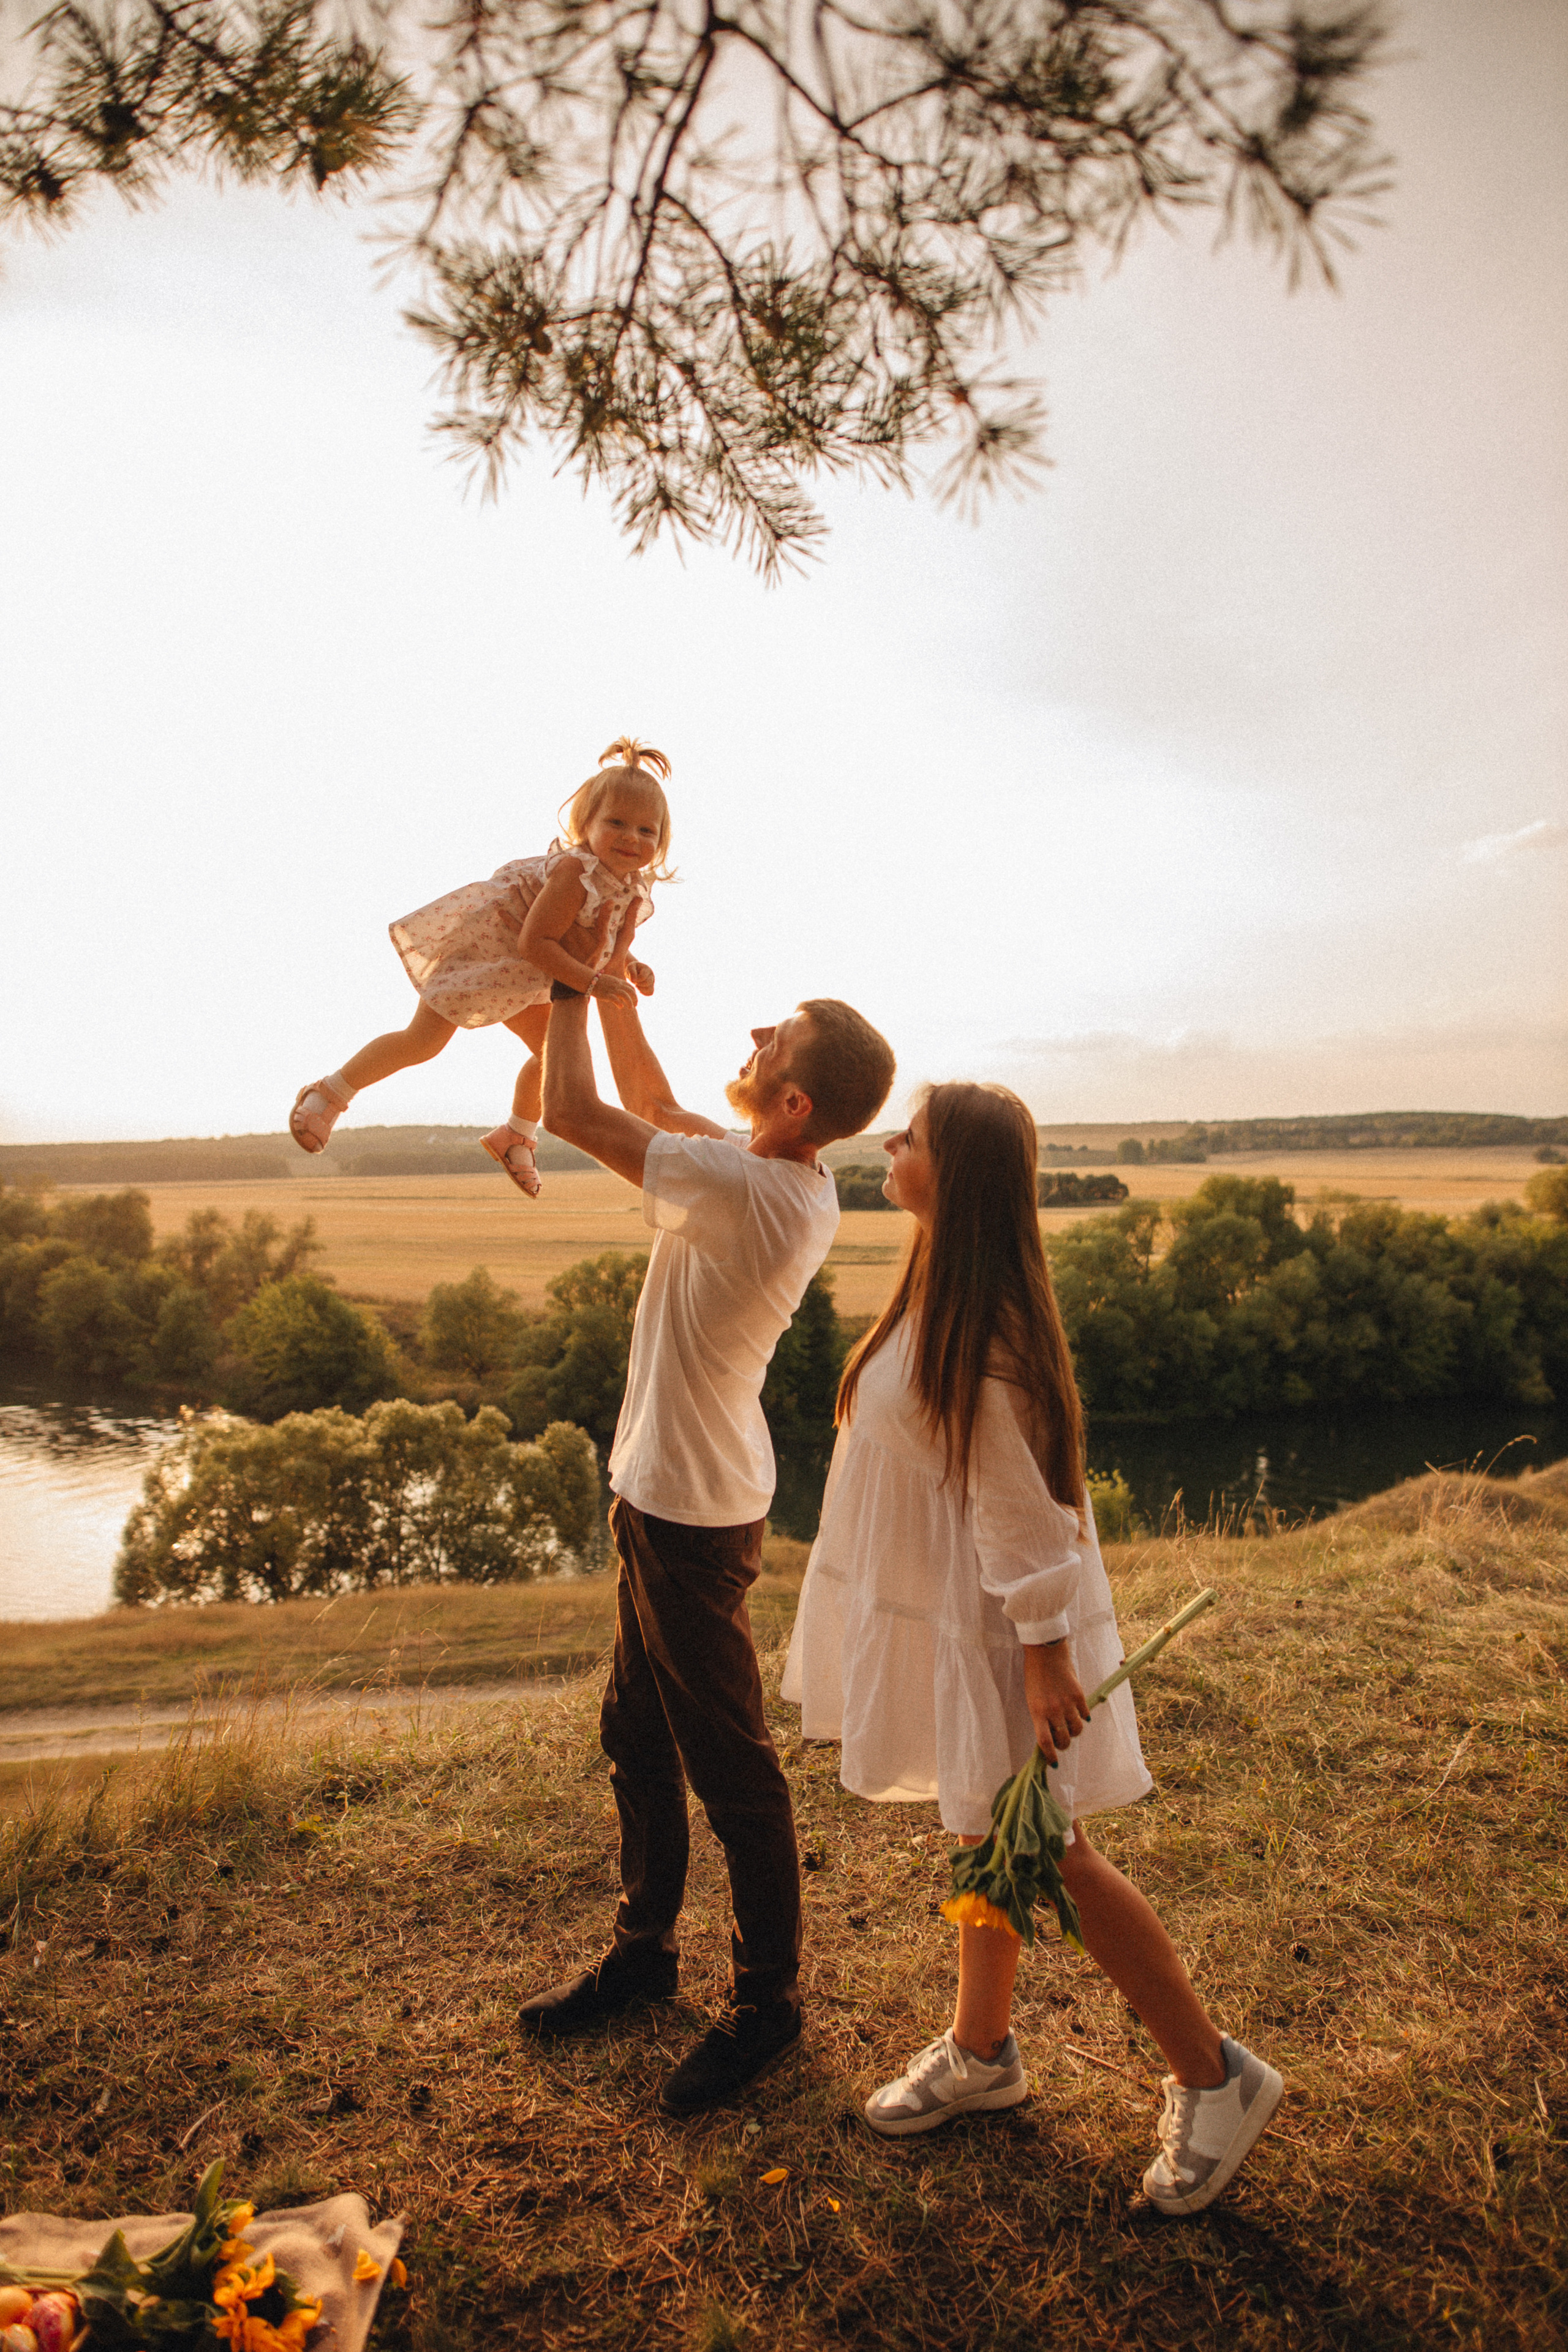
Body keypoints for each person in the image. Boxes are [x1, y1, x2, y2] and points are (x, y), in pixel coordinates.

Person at [782, 1083, 1283, 2217]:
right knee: (983, 1835)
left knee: (1047, 1849)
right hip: (958, 1619)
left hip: (997, 1628)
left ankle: (1218, 2076)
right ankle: (983, 2052)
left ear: (954, 1176)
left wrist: (1045, 1652)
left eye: (909, 1138)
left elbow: (1021, 1508)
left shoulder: (988, 1321)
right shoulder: (936, 1286)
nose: (889, 1145)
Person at [518, 944, 896, 2116]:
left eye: (770, 1041)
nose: (749, 1039)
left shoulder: (755, 1189)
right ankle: (644, 1956)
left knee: (735, 1772)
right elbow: (647, 1102)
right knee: (635, 1735)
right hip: (662, 1494)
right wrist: (614, 986)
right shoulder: (760, 1164)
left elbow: (576, 1108)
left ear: (795, 1104)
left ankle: (767, 2009)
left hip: (691, 1517)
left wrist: (562, 980)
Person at [288, 737, 689, 1196]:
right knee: (424, 1041)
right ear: (586, 826)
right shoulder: (573, 875)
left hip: (526, 976)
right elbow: (536, 942)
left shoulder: (630, 888)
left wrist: (632, 965)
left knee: (553, 1059)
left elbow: (606, 935)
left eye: (646, 831)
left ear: (661, 841)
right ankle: (330, 1092)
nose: (631, 838)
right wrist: (592, 982)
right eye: (616, 823)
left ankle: (516, 1134)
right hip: (489, 953)